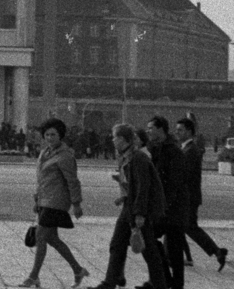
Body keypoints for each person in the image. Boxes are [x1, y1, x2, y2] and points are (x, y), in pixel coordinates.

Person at [93, 124, 167, 289]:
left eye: (115, 137)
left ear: (123, 139)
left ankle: (160, 284)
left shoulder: (138, 158)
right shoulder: (126, 157)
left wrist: (140, 214)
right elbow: (132, 184)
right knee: (118, 244)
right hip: (130, 206)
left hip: (140, 209)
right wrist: (123, 197)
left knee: (148, 249)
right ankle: (109, 283)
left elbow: (143, 187)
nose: (113, 140)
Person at [21, 117, 89, 289]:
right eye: (47, 135)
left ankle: (33, 276)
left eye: (53, 134)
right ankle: (78, 270)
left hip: (57, 202)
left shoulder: (65, 156)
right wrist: (37, 199)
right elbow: (41, 179)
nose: (50, 138)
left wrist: (76, 204)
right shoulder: (45, 152)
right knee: (52, 239)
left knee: (40, 236)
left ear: (60, 135)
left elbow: (73, 181)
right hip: (45, 200)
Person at [173, 117, 229, 270]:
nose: (177, 133)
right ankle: (189, 256)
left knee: (188, 227)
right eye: (177, 130)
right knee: (181, 226)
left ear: (189, 131)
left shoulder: (191, 150)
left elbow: (185, 175)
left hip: (189, 197)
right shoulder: (186, 148)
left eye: (180, 130)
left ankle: (216, 251)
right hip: (188, 196)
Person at [145, 115, 191, 289]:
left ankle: (175, 284)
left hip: (174, 208)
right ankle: (165, 279)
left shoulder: (173, 151)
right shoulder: (156, 148)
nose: (148, 131)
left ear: (160, 129)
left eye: (151, 128)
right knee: (151, 240)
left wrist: (163, 206)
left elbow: (174, 183)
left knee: (174, 251)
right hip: (164, 207)